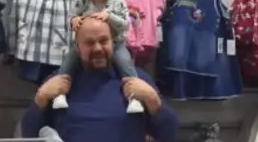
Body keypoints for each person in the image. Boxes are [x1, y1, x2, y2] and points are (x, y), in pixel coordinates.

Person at [21, 17, 178, 142]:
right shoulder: (57, 82)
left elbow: (169, 135)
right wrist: (40, 99)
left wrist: (153, 100)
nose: (98, 48)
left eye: (103, 41)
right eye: (89, 43)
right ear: (77, 47)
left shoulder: (137, 80)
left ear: (113, 43)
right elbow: (28, 134)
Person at [52, 0, 144, 113]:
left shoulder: (118, 2)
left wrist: (110, 17)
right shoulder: (82, 0)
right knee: (68, 62)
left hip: (115, 43)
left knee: (125, 64)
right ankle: (60, 94)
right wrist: (74, 20)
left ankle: (134, 98)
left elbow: (125, 24)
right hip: (84, 45)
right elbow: (71, 17)